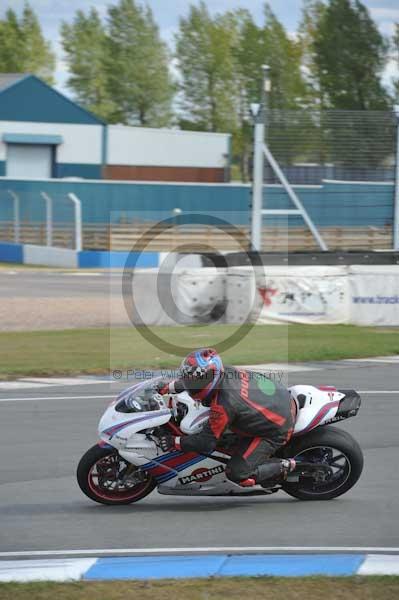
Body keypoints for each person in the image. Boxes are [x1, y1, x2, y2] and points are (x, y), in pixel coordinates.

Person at [157, 348, 297, 487]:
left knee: (236, 473)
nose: (189, 385)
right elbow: (194, 380)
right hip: (278, 399)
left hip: (277, 429)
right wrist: (167, 387)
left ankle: (284, 466)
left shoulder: (223, 405)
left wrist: (174, 441)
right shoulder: (224, 373)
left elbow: (205, 443)